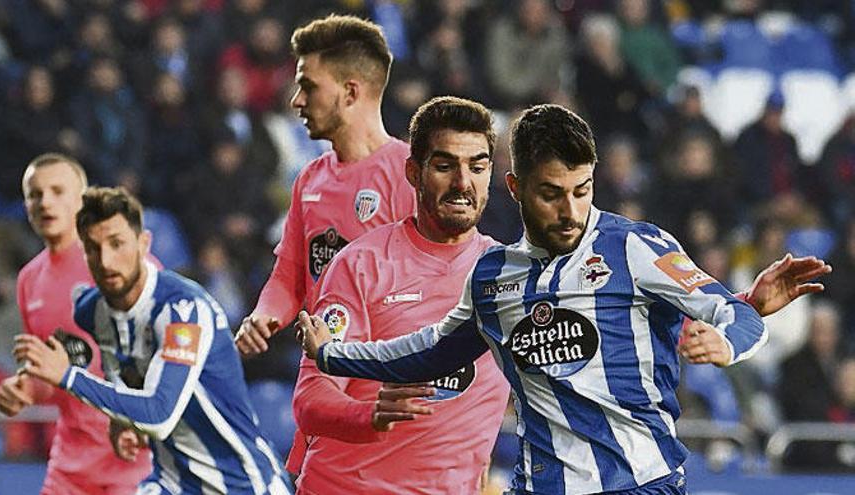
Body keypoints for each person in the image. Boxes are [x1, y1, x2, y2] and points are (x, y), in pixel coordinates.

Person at [298, 104, 831, 494]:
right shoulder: (491, 279)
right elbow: (431, 351)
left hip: (636, 484)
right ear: (516, 187)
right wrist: (332, 355)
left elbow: (729, 311)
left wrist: (729, 336)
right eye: (552, 194)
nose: (571, 211)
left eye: (583, 190)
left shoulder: (636, 247)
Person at [293, 96, 510, 494]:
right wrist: (367, 416)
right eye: (445, 166)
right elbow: (310, 397)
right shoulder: (361, 265)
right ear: (413, 172)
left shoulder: (509, 277)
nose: (463, 183)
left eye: (476, 167)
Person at [15, 187, 292, 495]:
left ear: (143, 243)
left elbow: (159, 414)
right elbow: (118, 368)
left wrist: (68, 376)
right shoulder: (91, 311)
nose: (107, 261)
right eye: (94, 248)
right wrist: (121, 423)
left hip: (241, 484)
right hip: (171, 483)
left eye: (117, 244)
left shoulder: (183, 309)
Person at [233, 14, 416, 473]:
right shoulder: (309, 180)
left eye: (308, 86)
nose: (296, 100)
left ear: (351, 92)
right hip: (323, 391)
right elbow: (291, 274)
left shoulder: (410, 176)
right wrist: (263, 317)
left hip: (390, 399)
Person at [0, 153, 151, 495]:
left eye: (57, 191)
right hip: (71, 462)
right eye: (35, 194)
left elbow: (170, 345)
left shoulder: (124, 260)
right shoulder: (29, 280)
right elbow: (47, 373)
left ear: (82, 200)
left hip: (135, 457)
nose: (45, 201)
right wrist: (24, 389)